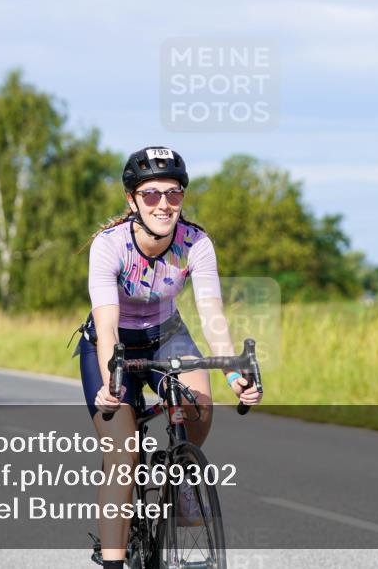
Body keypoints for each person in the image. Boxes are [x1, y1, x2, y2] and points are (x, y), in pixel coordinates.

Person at [75, 146, 262, 568]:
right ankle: (114, 561)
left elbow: (212, 316)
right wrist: (111, 383)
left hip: (166, 336)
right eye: (151, 194)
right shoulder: (109, 245)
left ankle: (184, 480)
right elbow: (107, 325)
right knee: (123, 456)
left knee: (200, 405)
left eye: (174, 193)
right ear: (132, 201)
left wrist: (235, 376)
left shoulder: (196, 242)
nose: (164, 204)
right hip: (113, 344)